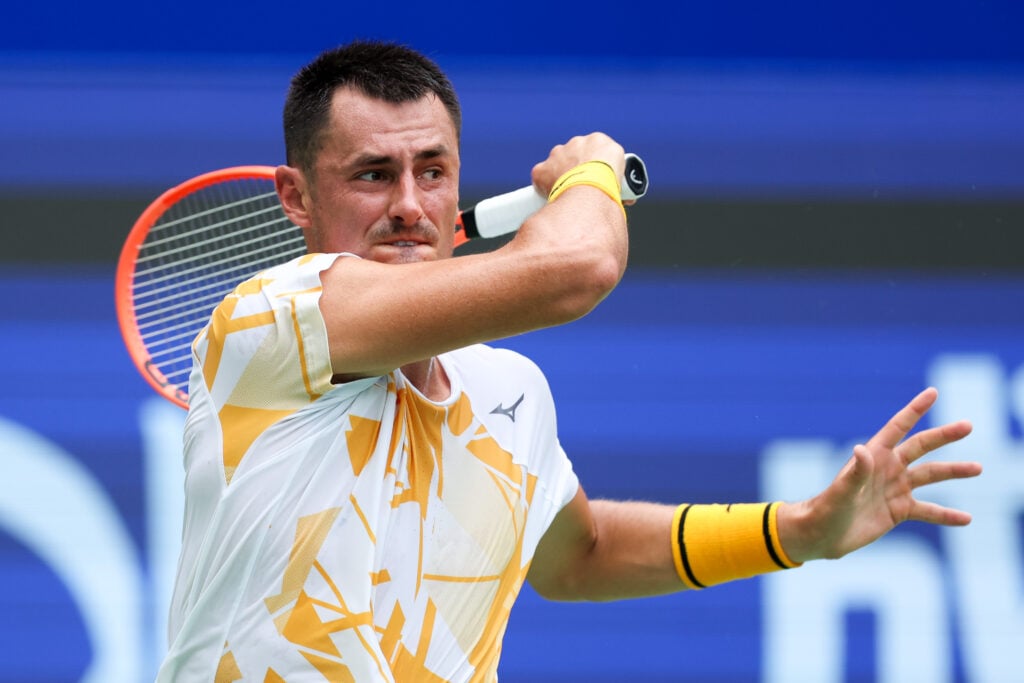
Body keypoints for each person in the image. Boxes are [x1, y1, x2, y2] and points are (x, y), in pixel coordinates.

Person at [157, 40, 982, 681]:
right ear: (295, 197)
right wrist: (590, 177)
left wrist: (796, 531)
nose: (410, 206)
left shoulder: (506, 391)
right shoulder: (272, 320)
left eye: (432, 172)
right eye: (374, 175)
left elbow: (580, 553)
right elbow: (576, 269)